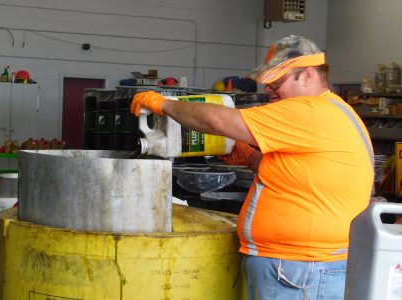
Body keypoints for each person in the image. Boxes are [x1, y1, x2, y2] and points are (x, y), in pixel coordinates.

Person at [130, 35, 374, 300]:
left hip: (299, 270)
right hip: (304, 267)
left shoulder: (307, 111)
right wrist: (249, 157)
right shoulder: (334, 110)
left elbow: (217, 121)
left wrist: (164, 105)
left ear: (307, 76)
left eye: (276, 81)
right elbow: (305, 174)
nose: (269, 88)